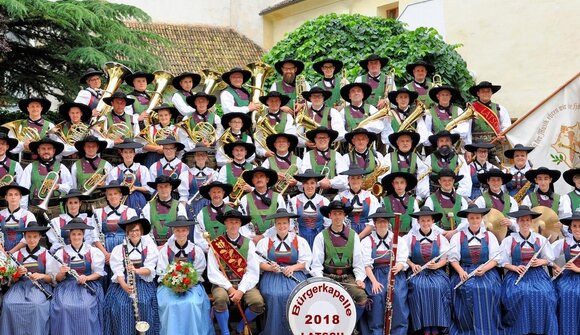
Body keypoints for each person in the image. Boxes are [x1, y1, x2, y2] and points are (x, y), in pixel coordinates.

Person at [499, 206, 557, 334]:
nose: (525, 223)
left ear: (531, 222)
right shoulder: (509, 240)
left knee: (545, 294)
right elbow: (502, 262)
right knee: (521, 294)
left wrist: (541, 261)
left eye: (527, 220)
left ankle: (541, 328)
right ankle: (521, 328)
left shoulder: (540, 239)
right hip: (516, 274)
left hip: (537, 274)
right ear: (517, 222)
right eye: (522, 220)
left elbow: (549, 259)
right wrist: (514, 267)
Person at [206, 209, 264, 335]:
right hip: (222, 284)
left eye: (236, 222)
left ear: (240, 224)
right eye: (230, 222)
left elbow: (252, 271)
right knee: (220, 299)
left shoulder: (249, 244)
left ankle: (240, 328)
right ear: (225, 223)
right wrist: (230, 289)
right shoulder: (216, 244)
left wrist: (241, 290)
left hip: (245, 283)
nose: (233, 225)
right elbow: (213, 271)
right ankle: (225, 332)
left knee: (258, 303)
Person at [448, 204, 503, 335]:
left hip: (486, 271)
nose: (475, 221)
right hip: (464, 270)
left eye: (477, 218)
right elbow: (453, 259)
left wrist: (484, 269)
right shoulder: (459, 236)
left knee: (488, 289)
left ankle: (487, 328)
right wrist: (460, 271)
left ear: (482, 219)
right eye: (472, 218)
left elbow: (496, 258)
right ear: (467, 219)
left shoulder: (489, 236)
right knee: (463, 289)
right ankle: (467, 328)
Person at [256, 209, 312, 335]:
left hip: (294, 273)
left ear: (289, 224)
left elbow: (306, 261)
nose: (282, 226)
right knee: (273, 294)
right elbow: (259, 262)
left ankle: (297, 330)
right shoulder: (265, 242)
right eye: (279, 223)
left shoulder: (299, 241)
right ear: (275, 225)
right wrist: (270, 267)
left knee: (298, 295)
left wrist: (292, 268)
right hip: (272, 275)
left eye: (284, 223)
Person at [310, 200, 368, 322]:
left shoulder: (354, 236)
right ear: (329, 215)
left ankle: (349, 325)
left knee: (361, 297)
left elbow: (358, 262)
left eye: (340, 213)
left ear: (344, 215)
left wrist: (359, 279)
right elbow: (316, 265)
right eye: (335, 213)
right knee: (324, 300)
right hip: (328, 277)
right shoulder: (320, 237)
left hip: (348, 277)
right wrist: (322, 281)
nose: (337, 217)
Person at [156, 216, 214, 335]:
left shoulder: (196, 250)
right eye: (177, 230)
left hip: (192, 287)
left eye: (183, 230)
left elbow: (198, 272)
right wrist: (173, 284)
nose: (180, 233)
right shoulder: (165, 250)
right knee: (170, 304)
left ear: (188, 231)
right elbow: (161, 272)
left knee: (191, 304)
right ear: (173, 232)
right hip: (168, 287)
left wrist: (186, 285)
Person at [103, 216, 160, 335]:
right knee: (121, 305)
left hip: (143, 282)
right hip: (124, 283)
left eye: (137, 230)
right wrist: (124, 285)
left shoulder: (149, 247)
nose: (134, 233)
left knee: (144, 302)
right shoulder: (120, 249)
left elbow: (149, 269)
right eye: (131, 231)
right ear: (127, 233)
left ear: (141, 232)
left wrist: (136, 270)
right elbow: (118, 271)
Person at [50, 218, 106, 335]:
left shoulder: (92, 251)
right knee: (64, 307)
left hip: (88, 285)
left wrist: (86, 278)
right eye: (73, 234)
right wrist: (62, 272)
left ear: (83, 235)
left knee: (85, 307)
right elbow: (57, 279)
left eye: (79, 234)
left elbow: (98, 273)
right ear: (69, 235)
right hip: (67, 286)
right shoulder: (61, 252)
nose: (76, 237)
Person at [0, 222, 57, 334]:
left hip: (40, 286)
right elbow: (12, 280)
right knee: (8, 304)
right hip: (20, 287)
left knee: (37, 306)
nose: (32, 240)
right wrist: (18, 274)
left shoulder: (46, 253)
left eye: (35, 236)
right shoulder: (16, 255)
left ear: (40, 237)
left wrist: (41, 275)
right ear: (24, 237)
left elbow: (52, 278)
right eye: (29, 237)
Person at [360, 207, 410, 335]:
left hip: (394, 274)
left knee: (397, 296)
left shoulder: (398, 240)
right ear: (375, 224)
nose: (382, 224)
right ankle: (376, 331)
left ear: (388, 223)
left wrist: (398, 267)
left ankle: (398, 331)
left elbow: (402, 260)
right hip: (374, 274)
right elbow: (366, 265)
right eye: (379, 222)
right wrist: (374, 282)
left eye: (384, 222)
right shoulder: (367, 241)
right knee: (376, 296)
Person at [403, 207, 452, 335]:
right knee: (419, 288)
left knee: (438, 287)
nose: (425, 223)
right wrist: (413, 265)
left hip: (435, 272)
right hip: (417, 272)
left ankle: (436, 325)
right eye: (423, 220)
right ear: (418, 221)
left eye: (428, 221)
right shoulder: (410, 237)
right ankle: (423, 326)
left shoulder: (440, 238)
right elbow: (404, 257)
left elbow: (445, 258)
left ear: (432, 221)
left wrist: (437, 266)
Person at [20, 137, 73, 218]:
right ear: (38, 151)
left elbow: (70, 187)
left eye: (49, 149)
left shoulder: (62, 167)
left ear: (54, 151)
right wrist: (23, 211)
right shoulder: (30, 167)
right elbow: (24, 191)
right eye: (43, 149)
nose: (46, 151)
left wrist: (58, 186)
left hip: (55, 208)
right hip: (34, 209)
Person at [93, 181, 138, 264]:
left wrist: (119, 254)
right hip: (105, 251)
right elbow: (95, 237)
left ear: (120, 195)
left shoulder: (130, 212)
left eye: (115, 193)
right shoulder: (98, 212)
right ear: (106, 197)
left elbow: (133, 234)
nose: (113, 196)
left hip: (125, 249)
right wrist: (106, 254)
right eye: (110, 194)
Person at [106, 139, 152, 217]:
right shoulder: (115, 170)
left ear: (134, 154)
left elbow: (148, 188)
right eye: (125, 152)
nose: (128, 155)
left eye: (131, 152)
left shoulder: (142, 169)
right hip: (121, 200)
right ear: (121, 154)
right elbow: (110, 188)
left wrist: (135, 188)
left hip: (138, 199)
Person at [238, 166, 285, 242]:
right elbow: (241, 222)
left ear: (267, 179)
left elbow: (282, 220)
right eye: (256, 177)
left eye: (261, 176)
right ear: (252, 181)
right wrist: (251, 238)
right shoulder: (245, 199)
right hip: (252, 241)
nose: (259, 179)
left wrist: (264, 236)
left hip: (274, 239)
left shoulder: (278, 197)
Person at [551, 210, 580, 335]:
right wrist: (555, 267)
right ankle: (568, 330)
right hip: (568, 278)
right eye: (574, 226)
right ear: (570, 228)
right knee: (564, 292)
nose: (577, 229)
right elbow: (547, 257)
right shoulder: (565, 242)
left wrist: (578, 269)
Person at [335, 164, 379, 239]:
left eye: (358, 178)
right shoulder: (340, 197)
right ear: (348, 180)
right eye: (352, 178)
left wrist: (360, 236)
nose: (355, 181)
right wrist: (350, 236)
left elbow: (373, 221)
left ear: (362, 180)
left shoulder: (370, 197)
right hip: (345, 234)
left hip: (366, 235)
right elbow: (338, 219)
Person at [288, 169, 330, 248]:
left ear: (316, 184)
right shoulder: (294, 201)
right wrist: (297, 239)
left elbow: (328, 224)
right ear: (303, 185)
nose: (309, 186)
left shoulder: (324, 201)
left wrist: (324, 240)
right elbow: (290, 224)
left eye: (312, 183)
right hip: (300, 238)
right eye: (306, 183)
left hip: (320, 238)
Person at [424, 130, 472, 198]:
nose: (444, 143)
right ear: (437, 143)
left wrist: (454, 195)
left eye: (447, 141)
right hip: (433, 196)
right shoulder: (429, 159)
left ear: (451, 142)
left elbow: (466, 182)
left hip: (455, 195)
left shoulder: (459, 159)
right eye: (441, 141)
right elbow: (424, 181)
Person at [384, 130, 430, 200]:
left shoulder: (416, 158)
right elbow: (383, 178)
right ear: (397, 143)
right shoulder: (388, 157)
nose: (405, 143)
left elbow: (422, 179)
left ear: (411, 142)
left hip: (411, 197)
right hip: (392, 196)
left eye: (407, 141)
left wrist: (419, 198)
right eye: (402, 141)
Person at [300, 126, 348, 193]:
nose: (322, 140)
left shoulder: (337, 155)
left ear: (329, 139)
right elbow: (305, 175)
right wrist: (319, 183)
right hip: (312, 195)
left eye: (325, 137)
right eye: (319, 138)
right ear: (315, 139)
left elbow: (344, 178)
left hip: (333, 195)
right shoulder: (307, 155)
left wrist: (330, 182)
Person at [424, 168, 469, 239]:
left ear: (453, 181)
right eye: (444, 180)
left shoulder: (462, 200)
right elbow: (428, 221)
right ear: (439, 181)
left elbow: (466, 221)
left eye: (449, 180)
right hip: (437, 237)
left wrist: (455, 231)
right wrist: (443, 232)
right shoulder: (430, 200)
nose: (447, 183)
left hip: (458, 237)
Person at [143, 175, 187, 245]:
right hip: (153, 247)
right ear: (157, 188)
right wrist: (153, 246)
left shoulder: (179, 206)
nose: (163, 189)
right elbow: (144, 230)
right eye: (160, 187)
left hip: (174, 246)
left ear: (171, 187)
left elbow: (182, 230)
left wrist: (167, 246)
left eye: (166, 186)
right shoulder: (148, 206)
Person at [178, 144, 217, 216]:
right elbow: (184, 196)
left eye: (203, 155)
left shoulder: (214, 173)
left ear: (206, 157)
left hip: (209, 206)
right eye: (198, 155)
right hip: (192, 206)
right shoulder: (185, 174)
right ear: (194, 157)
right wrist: (182, 212)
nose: (200, 157)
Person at [194, 181, 234, 251]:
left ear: (223, 193)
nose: (216, 195)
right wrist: (210, 248)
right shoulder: (202, 213)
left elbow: (236, 232)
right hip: (209, 252)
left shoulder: (231, 212)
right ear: (209, 193)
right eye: (213, 192)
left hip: (228, 252)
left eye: (219, 192)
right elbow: (199, 235)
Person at [254, 91, 296, 157]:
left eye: (276, 101)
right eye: (271, 101)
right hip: (268, 155)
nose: (274, 103)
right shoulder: (261, 118)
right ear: (267, 102)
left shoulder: (288, 117)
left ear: (280, 102)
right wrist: (264, 153)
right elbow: (258, 142)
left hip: (285, 153)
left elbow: (290, 137)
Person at [0, 182, 36, 253]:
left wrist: (11, 252)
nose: (13, 197)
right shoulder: (1, 214)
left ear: (20, 197)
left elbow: (30, 236)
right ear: (6, 197)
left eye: (16, 194)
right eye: (10, 195)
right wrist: (3, 253)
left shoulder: (28, 215)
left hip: (23, 252)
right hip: (2, 252)